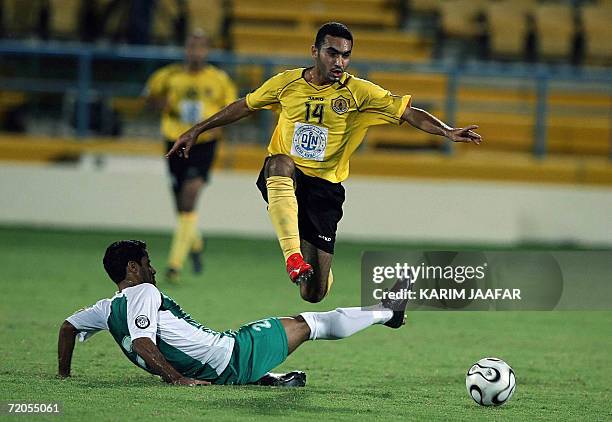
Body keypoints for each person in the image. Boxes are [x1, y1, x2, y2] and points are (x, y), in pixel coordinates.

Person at [166, 22, 482, 303]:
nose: (339, 62)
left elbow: (408, 111)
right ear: (315, 51)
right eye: (332, 53)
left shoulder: (359, 92)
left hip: (325, 189)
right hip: (287, 177)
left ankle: (314, 271)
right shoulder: (286, 83)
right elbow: (244, 106)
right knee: (278, 162)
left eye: (345, 55)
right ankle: (292, 257)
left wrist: (447, 131)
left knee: (313, 293)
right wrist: (196, 130)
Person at [57, 240, 411, 386]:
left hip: (217, 363)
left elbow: (68, 327)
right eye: (148, 264)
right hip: (229, 355)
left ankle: (268, 378)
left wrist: (64, 375)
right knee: (309, 323)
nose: (154, 270)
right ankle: (386, 313)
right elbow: (144, 344)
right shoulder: (144, 293)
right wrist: (176, 379)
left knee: (278, 333)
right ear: (133, 268)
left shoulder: (106, 309)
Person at [144, 30, 238, 283]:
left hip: (204, 143)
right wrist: (159, 104)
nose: (195, 52)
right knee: (181, 205)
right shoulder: (168, 76)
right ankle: (195, 243)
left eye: (200, 47)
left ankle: (175, 264)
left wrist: (211, 128)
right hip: (175, 139)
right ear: (185, 49)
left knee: (189, 196)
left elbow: (230, 110)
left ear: (207, 51)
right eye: (191, 47)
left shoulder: (218, 79)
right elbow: (149, 99)